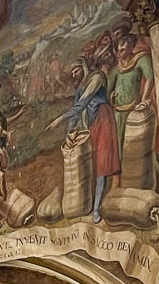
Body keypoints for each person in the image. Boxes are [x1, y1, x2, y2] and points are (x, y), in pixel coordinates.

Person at [48, 57, 120, 222]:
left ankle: (96, 209)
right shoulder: (80, 89)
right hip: (91, 125)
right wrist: (68, 136)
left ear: (84, 68)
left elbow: (82, 104)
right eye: (72, 72)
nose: (74, 74)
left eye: (76, 70)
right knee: (91, 165)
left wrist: (59, 119)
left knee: (102, 164)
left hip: (104, 120)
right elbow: (75, 114)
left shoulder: (96, 78)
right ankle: (91, 204)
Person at [107, 29, 155, 153]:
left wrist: (144, 99)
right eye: (118, 50)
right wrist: (110, 98)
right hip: (118, 111)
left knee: (134, 145)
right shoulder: (116, 69)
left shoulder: (141, 59)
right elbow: (108, 89)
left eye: (122, 50)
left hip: (134, 109)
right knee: (118, 144)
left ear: (131, 48)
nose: (118, 54)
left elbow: (150, 77)